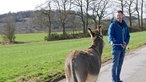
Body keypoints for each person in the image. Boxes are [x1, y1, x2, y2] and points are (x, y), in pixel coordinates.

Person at [108, 10, 130, 82]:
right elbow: (110, 35)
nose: (118, 16)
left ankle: (118, 79)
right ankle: (114, 80)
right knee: (115, 65)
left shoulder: (125, 25)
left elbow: (128, 36)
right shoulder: (113, 24)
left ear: (122, 16)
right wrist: (111, 41)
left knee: (120, 65)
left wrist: (125, 42)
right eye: (117, 15)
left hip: (123, 48)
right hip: (116, 48)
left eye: (120, 15)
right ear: (115, 16)